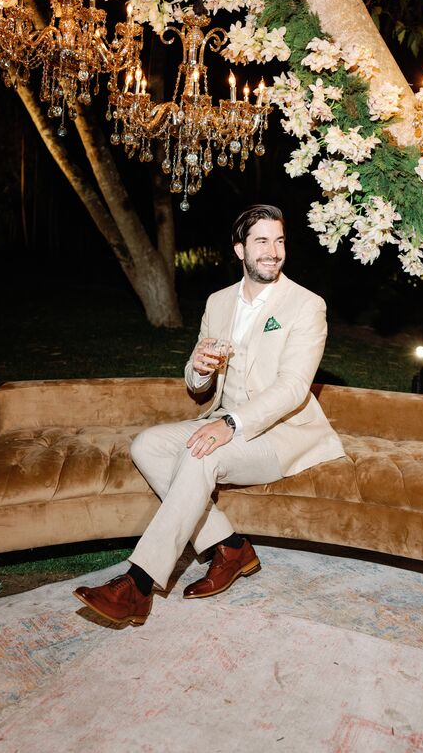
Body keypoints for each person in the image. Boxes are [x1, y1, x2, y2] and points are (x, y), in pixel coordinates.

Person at [73, 204, 345, 625]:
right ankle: (231, 546)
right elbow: (198, 381)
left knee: (203, 453)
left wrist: (230, 425)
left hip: (280, 434)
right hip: (224, 419)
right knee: (147, 445)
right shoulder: (218, 302)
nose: (273, 251)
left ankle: (138, 584)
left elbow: (292, 388)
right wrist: (198, 370)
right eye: (261, 242)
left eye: (279, 241)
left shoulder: (306, 306)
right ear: (240, 250)